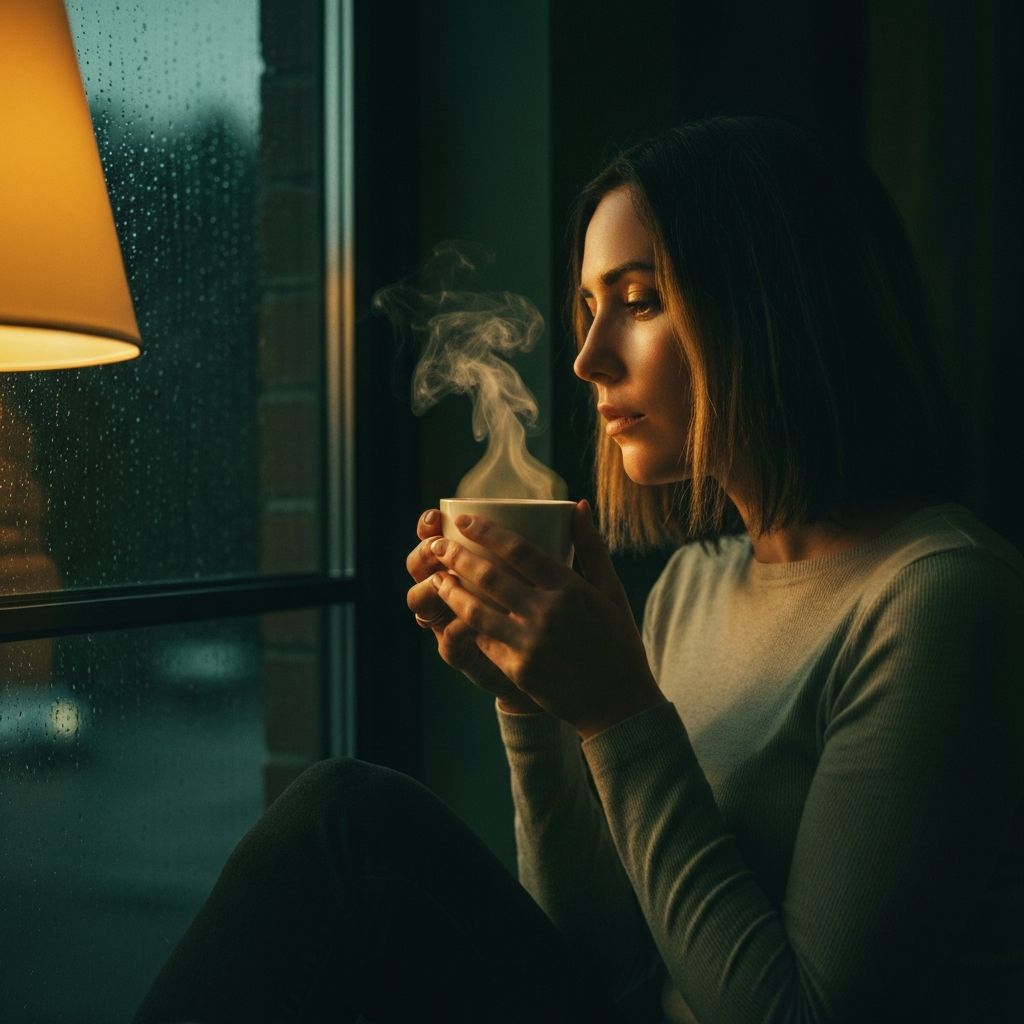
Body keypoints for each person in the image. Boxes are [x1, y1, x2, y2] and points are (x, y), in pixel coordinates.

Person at [136, 115, 1024, 1023]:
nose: (589, 357)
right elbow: (601, 971)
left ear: (772, 305)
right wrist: (531, 705)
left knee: (344, 823)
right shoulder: (694, 585)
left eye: (639, 302)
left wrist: (616, 707)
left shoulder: (939, 597)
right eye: (590, 308)